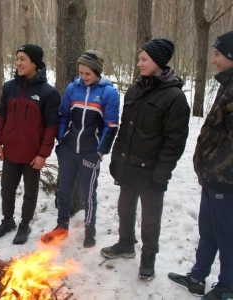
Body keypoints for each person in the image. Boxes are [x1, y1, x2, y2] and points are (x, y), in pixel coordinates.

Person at [100, 38, 190, 280]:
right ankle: (126, 243)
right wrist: (116, 158)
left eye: (144, 59)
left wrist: (162, 173)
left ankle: (149, 257)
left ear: (158, 62)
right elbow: (125, 128)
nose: (139, 63)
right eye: (139, 59)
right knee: (125, 208)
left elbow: (175, 142)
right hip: (128, 165)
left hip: (152, 170)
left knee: (150, 219)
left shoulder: (174, 98)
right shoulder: (135, 89)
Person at [168, 31, 233, 299]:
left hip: (225, 180)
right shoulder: (227, 83)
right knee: (207, 229)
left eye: (217, 54)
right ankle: (197, 277)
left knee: (225, 233)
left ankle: (228, 286)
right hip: (212, 176)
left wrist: (214, 168)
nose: (213, 60)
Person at [40, 49, 120, 248]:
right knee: (65, 190)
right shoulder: (72, 88)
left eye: (88, 74)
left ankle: (89, 229)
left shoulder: (108, 93)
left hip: (90, 152)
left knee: (88, 193)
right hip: (68, 149)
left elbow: (112, 126)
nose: (83, 77)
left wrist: (100, 152)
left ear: (97, 72)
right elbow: (63, 115)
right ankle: (61, 227)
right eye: (81, 72)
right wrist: (61, 139)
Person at [0, 44, 61, 245]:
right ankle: (7, 221)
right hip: (11, 151)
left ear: (35, 63)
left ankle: (25, 224)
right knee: (7, 188)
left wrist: (43, 154)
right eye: (17, 59)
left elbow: (51, 126)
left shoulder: (48, 93)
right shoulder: (9, 87)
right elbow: (2, 116)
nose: (18, 63)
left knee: (30, 191)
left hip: (33, 155)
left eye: (23, 59)